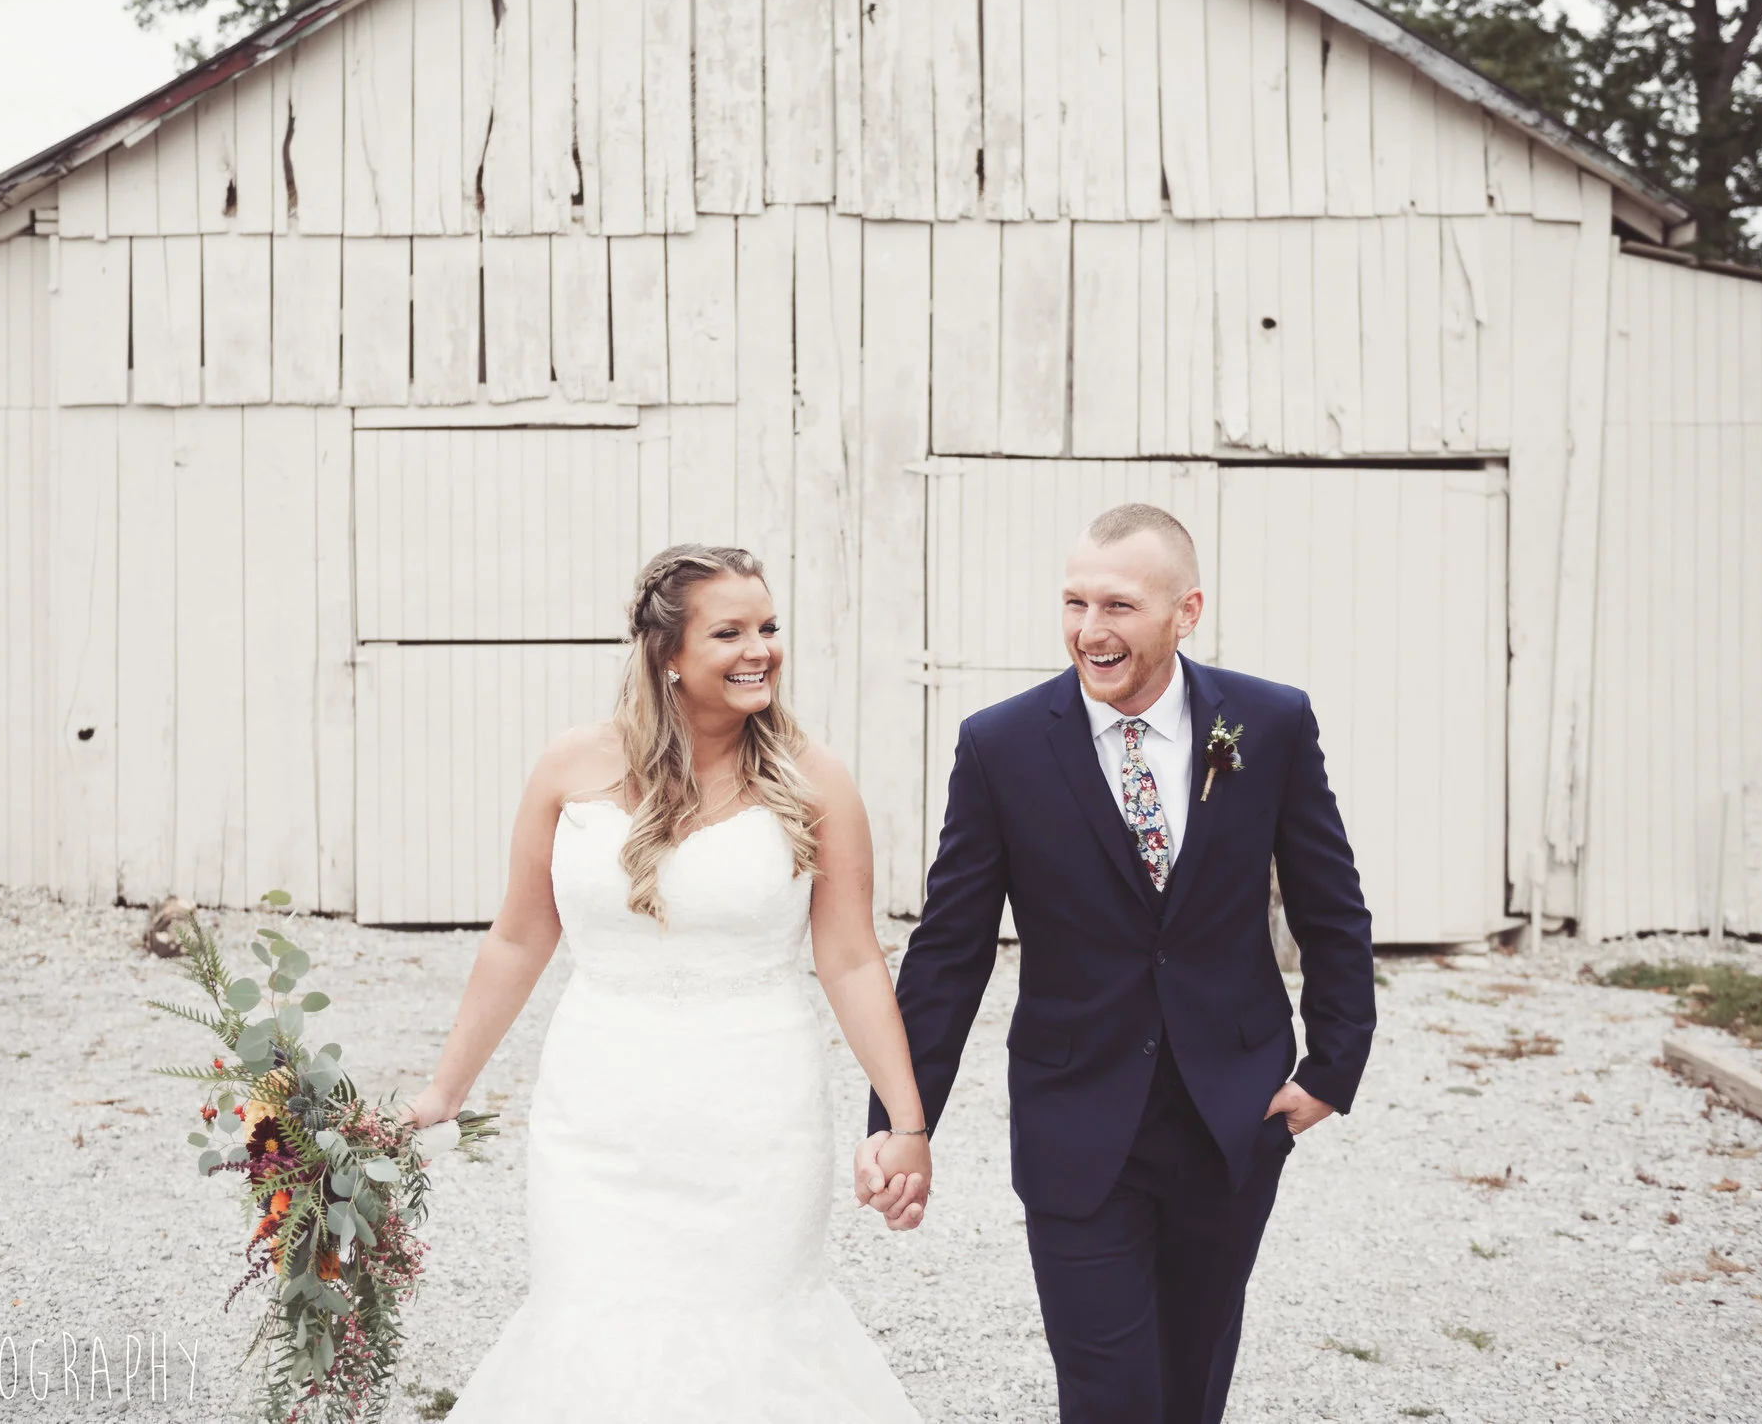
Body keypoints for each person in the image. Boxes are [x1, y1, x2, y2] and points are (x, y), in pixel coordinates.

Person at [860, 502, 1377, 1424]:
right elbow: (949, 951)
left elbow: (1330, 905)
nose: (1089, 630)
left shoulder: (1268, 722)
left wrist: (1332, 1066)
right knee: (1109, 1395)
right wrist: (904, 1118)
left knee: (1190, 1384)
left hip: (1233, 1114)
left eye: (1119, 606)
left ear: (1187, 611)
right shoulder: (1001, 745)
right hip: (1076, 1115)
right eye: (1075, 602)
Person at [405, 544, 930, 1422]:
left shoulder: (815, 779)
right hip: (597, 1115)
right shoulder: (569, 768)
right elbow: (519, 937)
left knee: (752, 1332)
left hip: (757, 1117)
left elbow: (850, 959)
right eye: (730, 632)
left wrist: (905, 1123)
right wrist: (442, 1093)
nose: (760, 649)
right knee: (591, 1322)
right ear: (667, 653)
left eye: (769, 626)